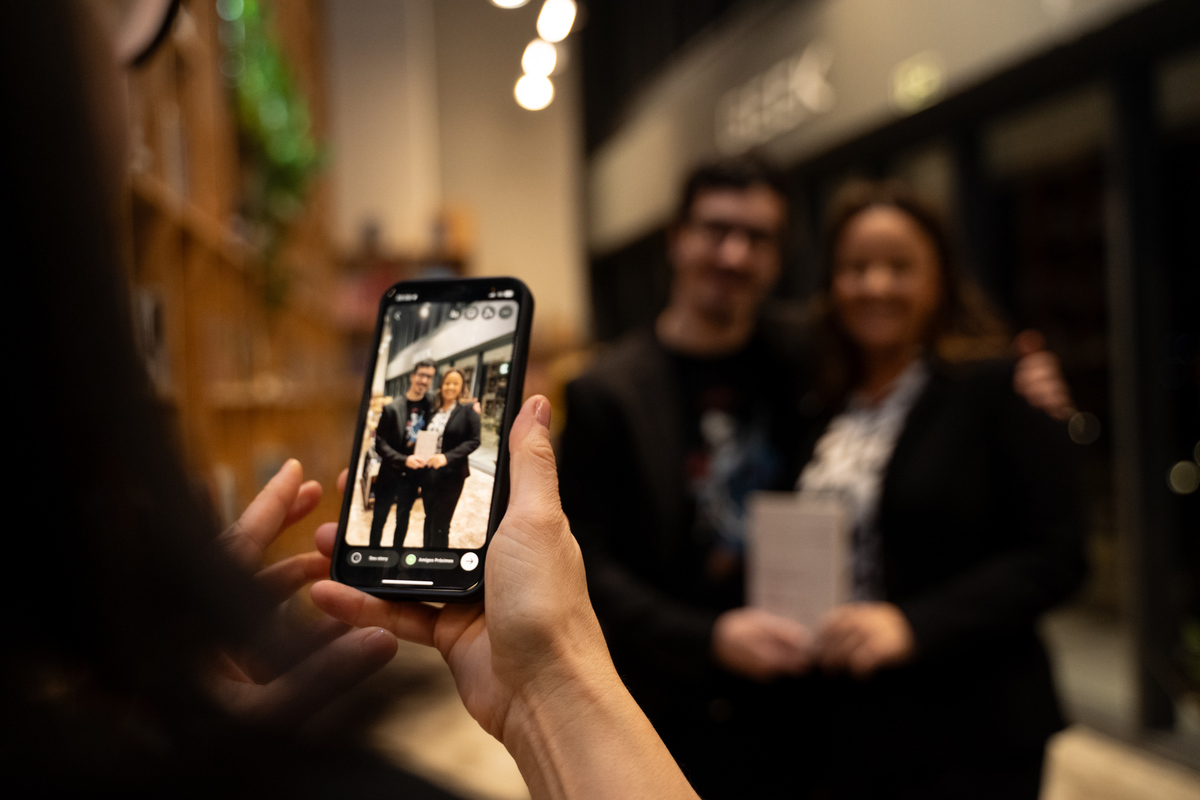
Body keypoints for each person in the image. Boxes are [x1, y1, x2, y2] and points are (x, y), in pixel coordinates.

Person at [4, 4, 701, 798]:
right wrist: (557, 680)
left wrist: (542, 679)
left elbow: (463, 438)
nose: (129, 63)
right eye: (109, 22)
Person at [557, 159, 1077, 798]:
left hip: (825, 715)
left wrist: (1033, 379)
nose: (733, 254)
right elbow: (585, 564)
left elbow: (1053, 550)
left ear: (781, 259)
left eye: (758, 238)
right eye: (716, 230)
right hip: (677, 706)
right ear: (678, 238)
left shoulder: (806, 358)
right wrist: (708, 639)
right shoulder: (606, 393)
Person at [796, 179, 1086, 798]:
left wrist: (913, 625)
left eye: (899, 266)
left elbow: (1058, 557)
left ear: (940, 278)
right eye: (856, 267)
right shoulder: (822, 398)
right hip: (849, 723)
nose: (876, 284)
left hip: (972, 725)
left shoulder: (1000, 386)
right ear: (831, 283)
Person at [371, 360, 436, 548]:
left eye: (429, 376)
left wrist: (472, 408)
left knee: (403, 519)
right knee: (379, 518)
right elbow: (380, 444)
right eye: (421, 375)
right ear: (412, 376)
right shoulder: (393, 407)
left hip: (413, 476)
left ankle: (396, 555)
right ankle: (372, 553)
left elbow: (453, 404)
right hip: (390, 472)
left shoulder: (432, 404)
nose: (424, 380)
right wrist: (404, 459)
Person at [420, 368, 481, 548]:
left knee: (441, 524)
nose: (450, 387)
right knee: (428, 517)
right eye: (447, 383)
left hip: (452, 475)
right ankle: (424, 557)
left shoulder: (469, 410)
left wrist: (446, 457)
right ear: (441, 385)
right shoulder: (434, 409)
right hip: (428, 472)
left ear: (462, 386)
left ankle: (437, 564)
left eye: (455, 383)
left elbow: (474, 440)